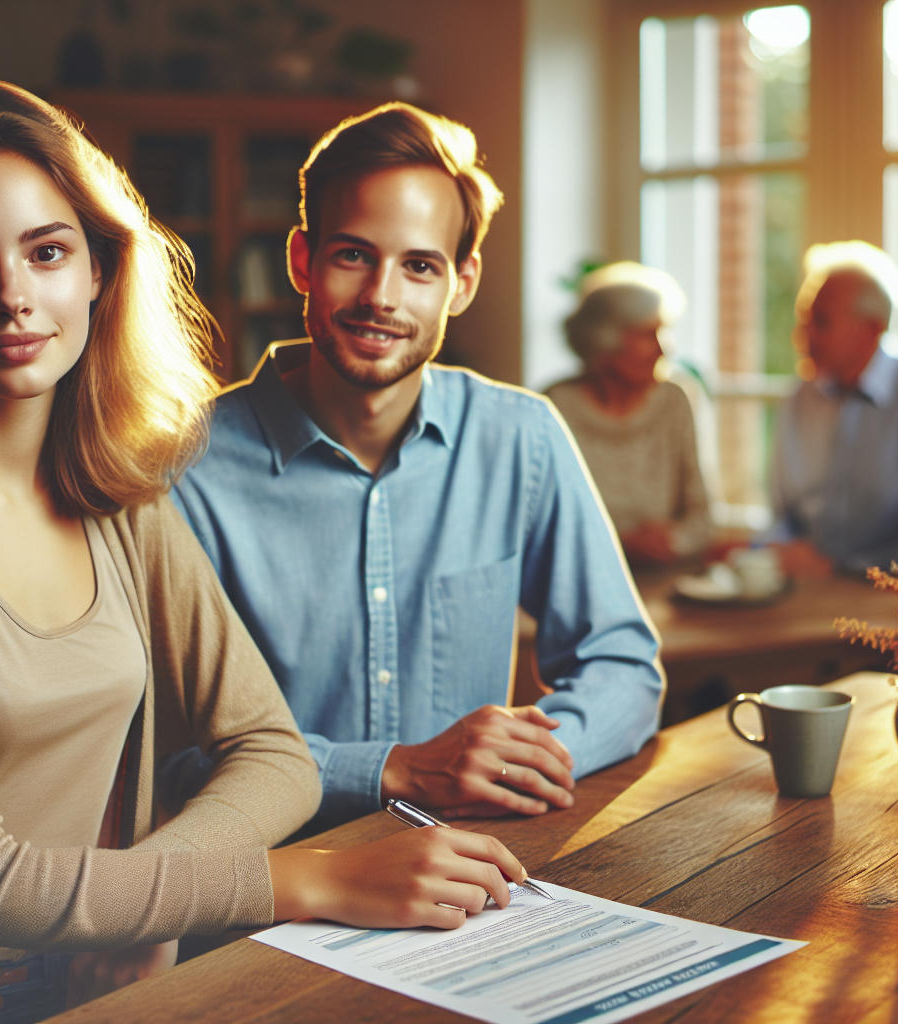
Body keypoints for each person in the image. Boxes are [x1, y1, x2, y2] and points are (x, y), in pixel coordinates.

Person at [0, 81, 530, 1024]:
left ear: (97, 270)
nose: (13, 298)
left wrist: (140, 901)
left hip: (114, 988)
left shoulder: (118, 496)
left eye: (47, 252)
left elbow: (274, 753)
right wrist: (307, 879)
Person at [172, 103, 662, 829]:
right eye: (352, 256)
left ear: (461, 284)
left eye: (420, 266)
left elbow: (621, 663)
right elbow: (169, 750)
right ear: (302, 261)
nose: (381, 297)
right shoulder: (187, 470)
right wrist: (393, 770)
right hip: (280, 878)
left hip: (473, 866)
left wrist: (526, 760)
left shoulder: (520, 438)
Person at [762, 240, 898, 577]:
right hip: (803, 587)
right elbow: (782, 516)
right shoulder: (799, 398)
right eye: (803, 320)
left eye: (820, 322)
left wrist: (841, 568)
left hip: (893, 592)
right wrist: (777, 550)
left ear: (871, 329)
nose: (801, 335)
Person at [543, 262, 714, 567]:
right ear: (605, 341)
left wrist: (673, 541)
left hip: (664, 576)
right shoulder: (555, 406)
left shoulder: (674, 403)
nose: (663, 350)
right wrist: (620, 543)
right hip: (580, 576)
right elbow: (539, 522)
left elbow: (702, 517)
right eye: (649, 335)